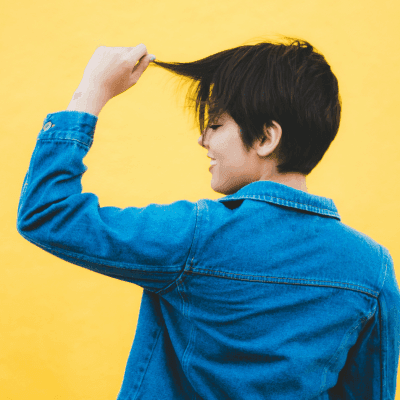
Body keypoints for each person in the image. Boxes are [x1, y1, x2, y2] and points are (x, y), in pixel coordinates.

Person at [16, 37, 400, 399]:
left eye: (215, 124)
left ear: (266, 137)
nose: (203, 140)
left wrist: (92, 91)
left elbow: (47, 212)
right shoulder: (373, 268)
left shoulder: (196, 236)